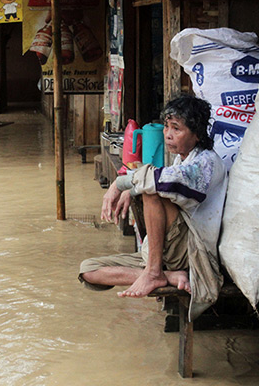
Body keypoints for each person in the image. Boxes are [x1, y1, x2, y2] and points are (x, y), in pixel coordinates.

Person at [79, 95, 228, 320]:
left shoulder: (205, 163)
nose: (168, 134)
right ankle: (165, 275)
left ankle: (154, 272)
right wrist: (132, 189)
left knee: (151, 191)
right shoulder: (182, 159)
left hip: (190, 250)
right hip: (168, 252)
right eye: (167, 126)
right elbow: (158, 177)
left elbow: (162, 180)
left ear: (196, 134)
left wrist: (121, 185)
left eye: (176, 128)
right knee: (88, 270)